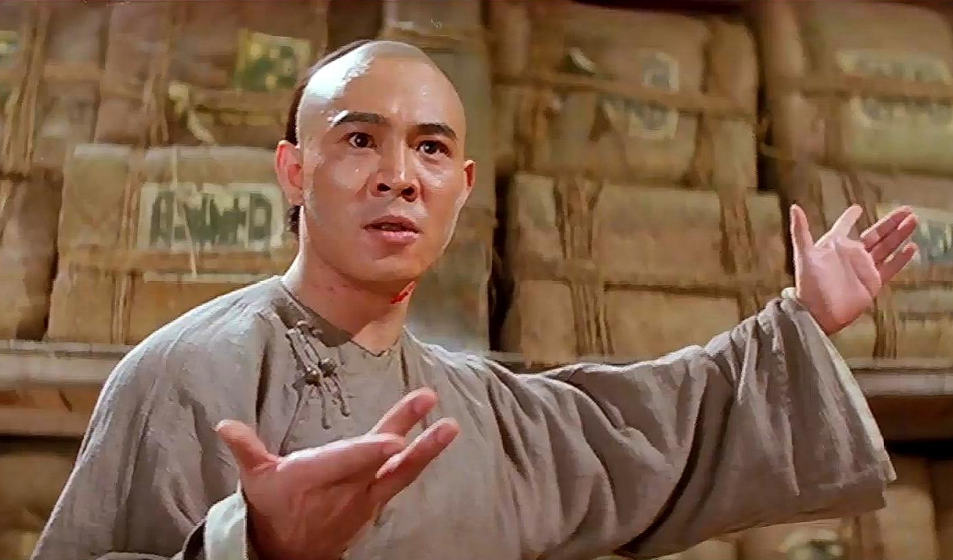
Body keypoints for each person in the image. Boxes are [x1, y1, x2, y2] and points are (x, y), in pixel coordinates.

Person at [31, 39, 919, 560]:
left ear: (460, 188)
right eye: (359, 139)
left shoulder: (486, 413)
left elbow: (646, 425)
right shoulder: (185, 374)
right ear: (294, 172)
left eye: (427, 149)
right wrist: (252, 546)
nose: (398, 176)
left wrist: (803, 320)